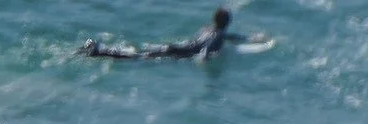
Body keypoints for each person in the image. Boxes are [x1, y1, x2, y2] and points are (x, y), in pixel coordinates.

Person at [82, 8, 248, 59]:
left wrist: (248, 38)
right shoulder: (219, 35)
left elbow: (226, 36)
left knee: (138, 54)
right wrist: (204, 60)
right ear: (227, 23)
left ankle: (98, 49)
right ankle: (98, 51)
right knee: (137, 57)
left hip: (175, 47)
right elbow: (208, 47)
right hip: (179, 53)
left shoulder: (207, 28)